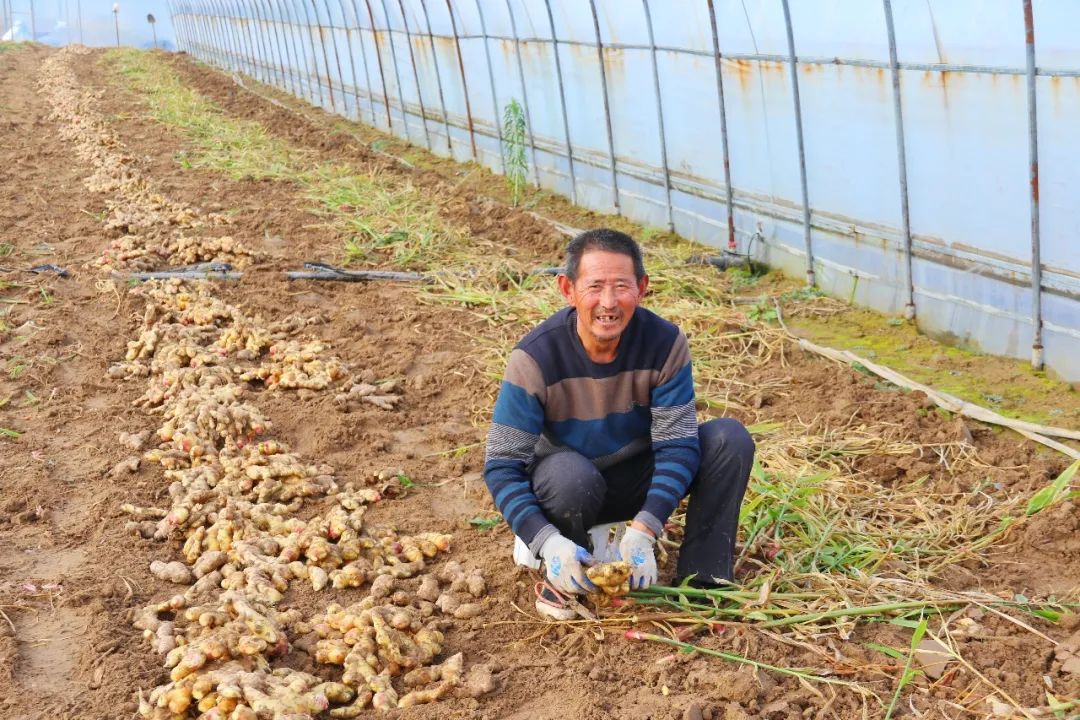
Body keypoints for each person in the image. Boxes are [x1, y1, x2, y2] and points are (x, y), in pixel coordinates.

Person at [482, 228, 755, 620]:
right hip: (567, 486)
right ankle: (563, 573)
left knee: (729, 439)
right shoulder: (535, 357)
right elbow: (502, 465)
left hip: (635, 477)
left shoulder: (665, 343)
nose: (608, 303)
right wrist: (546, 541)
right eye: (594, 286)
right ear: (567, 289)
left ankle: (704, 579)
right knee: (570, 477)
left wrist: (645, 527)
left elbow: (677, 445)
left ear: (642, 288)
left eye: (622, 286)